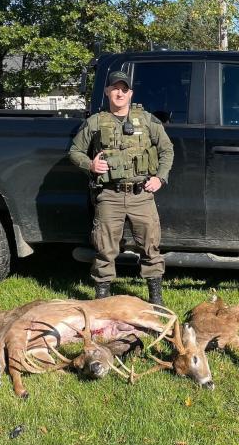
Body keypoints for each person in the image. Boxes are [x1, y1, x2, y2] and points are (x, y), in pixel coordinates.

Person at [69, 71, 174, 305]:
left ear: (130, 93)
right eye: (115, 88)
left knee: (150, 247)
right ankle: (102, 300)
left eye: (124, 89)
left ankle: (156, 300)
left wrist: (160, 178)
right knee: (105, 249)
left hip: (142, 195)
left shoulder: (147, 120)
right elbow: (75, 152)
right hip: (109, 196)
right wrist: (91, 164)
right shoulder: (95, 122)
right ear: (107, 92)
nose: (119, 92)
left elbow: (167, 150)